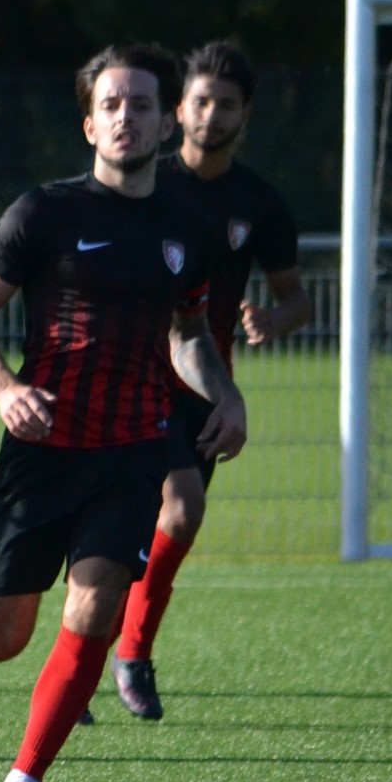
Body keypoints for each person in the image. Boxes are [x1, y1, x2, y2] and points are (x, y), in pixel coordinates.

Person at [0, 44, 246, 782]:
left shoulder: (187, 228)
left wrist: (226, 396)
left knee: (96, 605)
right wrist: (4, 388)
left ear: (167, 121)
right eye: (111, 105)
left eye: (140, 105)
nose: (125, 117)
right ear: (89, 123)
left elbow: (189, 330)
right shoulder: (44, 213)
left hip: (132, 452)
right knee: (3, 641)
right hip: (41, 453)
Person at [109, 40, 309, 720]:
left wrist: (271, 321)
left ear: (245, 114)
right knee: (176, 509)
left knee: (156, 525)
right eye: (201, 101)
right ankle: (126, 653)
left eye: (226, 104)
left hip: (205, 386)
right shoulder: (146, 183)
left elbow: (295, 297)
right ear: (178, 110)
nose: (211, 114)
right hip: (133, 376)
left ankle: (112, 648)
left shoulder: (260, 203)